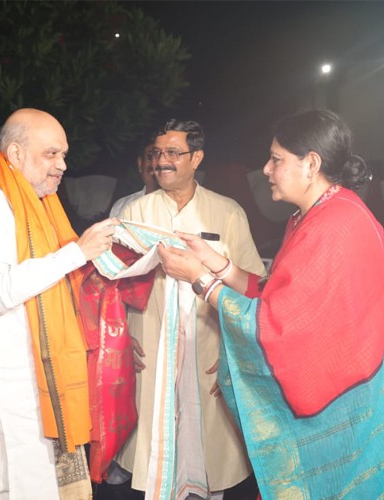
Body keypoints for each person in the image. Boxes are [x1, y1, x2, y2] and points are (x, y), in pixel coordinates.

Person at [157, 109, 384, 498]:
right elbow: (283, 293)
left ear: (311, 163)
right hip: (360, 377)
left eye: (277, 159)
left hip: (360, 399)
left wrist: (197, 279)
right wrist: (216, 263)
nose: (266, 169)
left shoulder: (335, 226)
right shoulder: (317, 214)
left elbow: (276, 326)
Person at [0, 108, 118, 499]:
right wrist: (76, 253)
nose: (62, 165)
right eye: (52, 154)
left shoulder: (34, 201)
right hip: (1, 395)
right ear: (16, 153)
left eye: (63, 155)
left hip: (36, 384)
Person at [115, 119, 265, 497]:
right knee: (156, 460)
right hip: (151, 352)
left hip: (208, 347)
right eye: (157, 153)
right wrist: (121, 340)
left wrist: (233, 351)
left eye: (173, 153)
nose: (161, 162)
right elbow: (111, 286)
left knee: (207, 459)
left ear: (196, 157)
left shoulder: (227, 212)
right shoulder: (134, 213)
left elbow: (252, 287)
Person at [109, 134, 158, 218]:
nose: (156, 164)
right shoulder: (122, 205)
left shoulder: (183, 207)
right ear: (140, 164)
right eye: (151, 156)